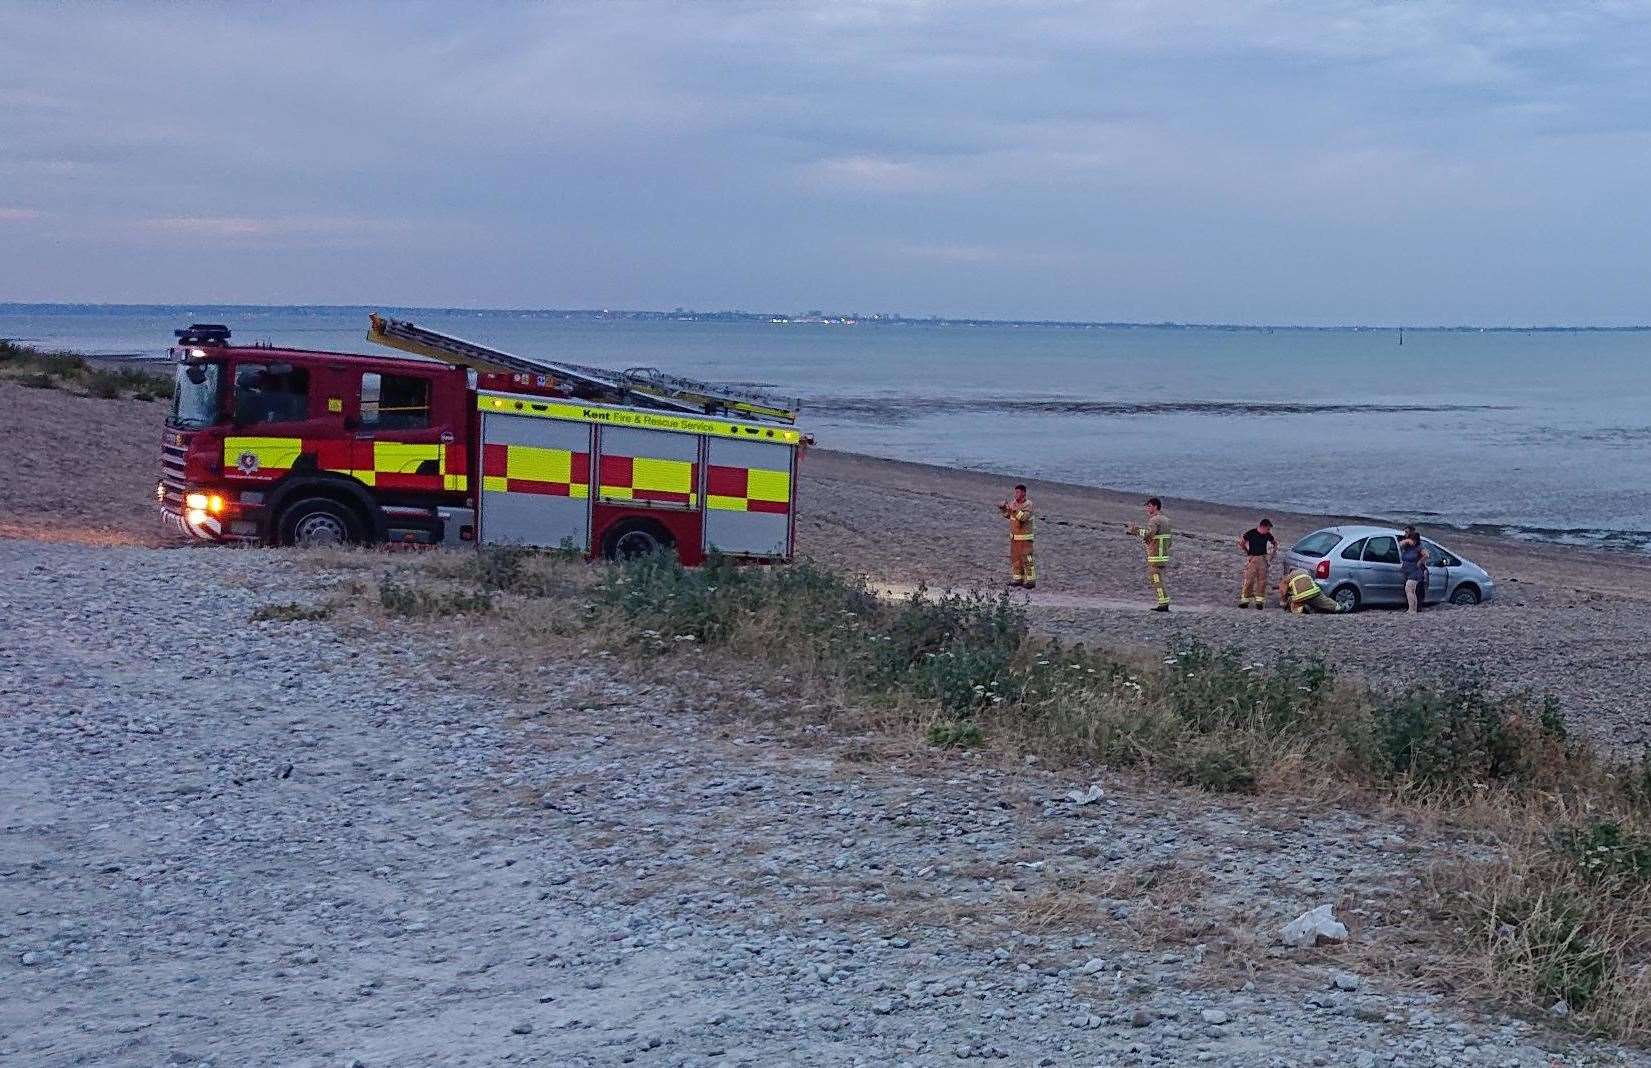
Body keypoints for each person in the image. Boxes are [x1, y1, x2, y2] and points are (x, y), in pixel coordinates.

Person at [1127, 498, 1172, 612]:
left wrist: (1135, 531)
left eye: (1149, 506)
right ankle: (1163, 602)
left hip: (1155, 555)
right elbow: (1169, 540)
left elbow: (1149, 533)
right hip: (1164, 555)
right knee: (1159, 578)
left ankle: (1163, 604)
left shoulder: (1154, 520)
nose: (1147, 509)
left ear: (1155, 507)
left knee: (1155, 579)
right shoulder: (1166, 520)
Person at [998, 484, 1036, 589]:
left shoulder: (1028, 504)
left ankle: (1030, 581)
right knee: (1015, 560)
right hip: (1014, 538)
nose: (1016, 495)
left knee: (1027, 559)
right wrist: (1003, 508)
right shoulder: (1014, 503)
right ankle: (1017, 579)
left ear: (1024, 493)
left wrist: (1015, 510)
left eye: (1018, 492)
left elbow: (1023, 517)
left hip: (1025, 538)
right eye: (1015, 492)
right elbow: (1008, 515)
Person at [1237, 518, 1277, 609]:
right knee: (1249, 580)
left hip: (1263, 558)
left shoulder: (1268, 535)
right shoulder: (1251, 533)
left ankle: (1259, 602)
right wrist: (1247, 551)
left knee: (1262, 581)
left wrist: (1270, 556)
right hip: (1253, 558)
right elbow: (1241, 542)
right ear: (1263, 526)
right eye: (1268, 529)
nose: (1268, 531)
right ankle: (1245, 601)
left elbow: (1275, 544)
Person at [1400, 525, 1430, 614]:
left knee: (1409, 588)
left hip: (1415, 572)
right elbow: (1400, 544)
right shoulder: (1406, 546)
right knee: (1412, 591)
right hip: (1408, 571)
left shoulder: (1419, 546)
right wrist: (1407, 541)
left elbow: (1426, 555)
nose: (1405, 534)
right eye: (1404, 532)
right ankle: (1414, 609)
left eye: (1406, 532)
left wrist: (1420, 562)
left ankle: (1411, 609)